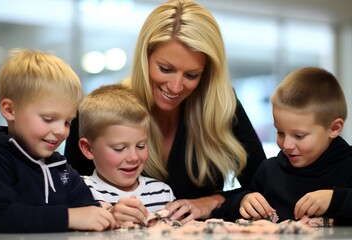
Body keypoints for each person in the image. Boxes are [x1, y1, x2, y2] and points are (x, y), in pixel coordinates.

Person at [65, 0, 266, 224]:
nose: (175, 86)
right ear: (145, 58)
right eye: (166, 69)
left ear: (207, 73)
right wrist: (106, 213)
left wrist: (212, 201)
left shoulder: (223, 107)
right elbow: (67, 198)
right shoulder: (101, 113)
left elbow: (264, 187)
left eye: (192, 75)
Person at [0, 49, 116, 233]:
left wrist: (107, 214)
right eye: (48, 119)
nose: (60, 131)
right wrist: (68, 217)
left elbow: (86, 208)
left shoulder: (60, 167)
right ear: (10, 110)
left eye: (67, 122)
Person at [223, 66, 352, 225]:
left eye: (299, 136)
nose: (287, 145)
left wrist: (336, 199)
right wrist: (242, 200)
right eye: (280, 132)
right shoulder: (269, 171)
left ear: (334, 128)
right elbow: (227, 206)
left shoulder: (348, 167)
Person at [78, 84, 175, 227]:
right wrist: (107, 219)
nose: (134, 157)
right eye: (119, 148)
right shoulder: (78, 190)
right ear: (88, 149)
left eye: (141, 146)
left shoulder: (163, 193)